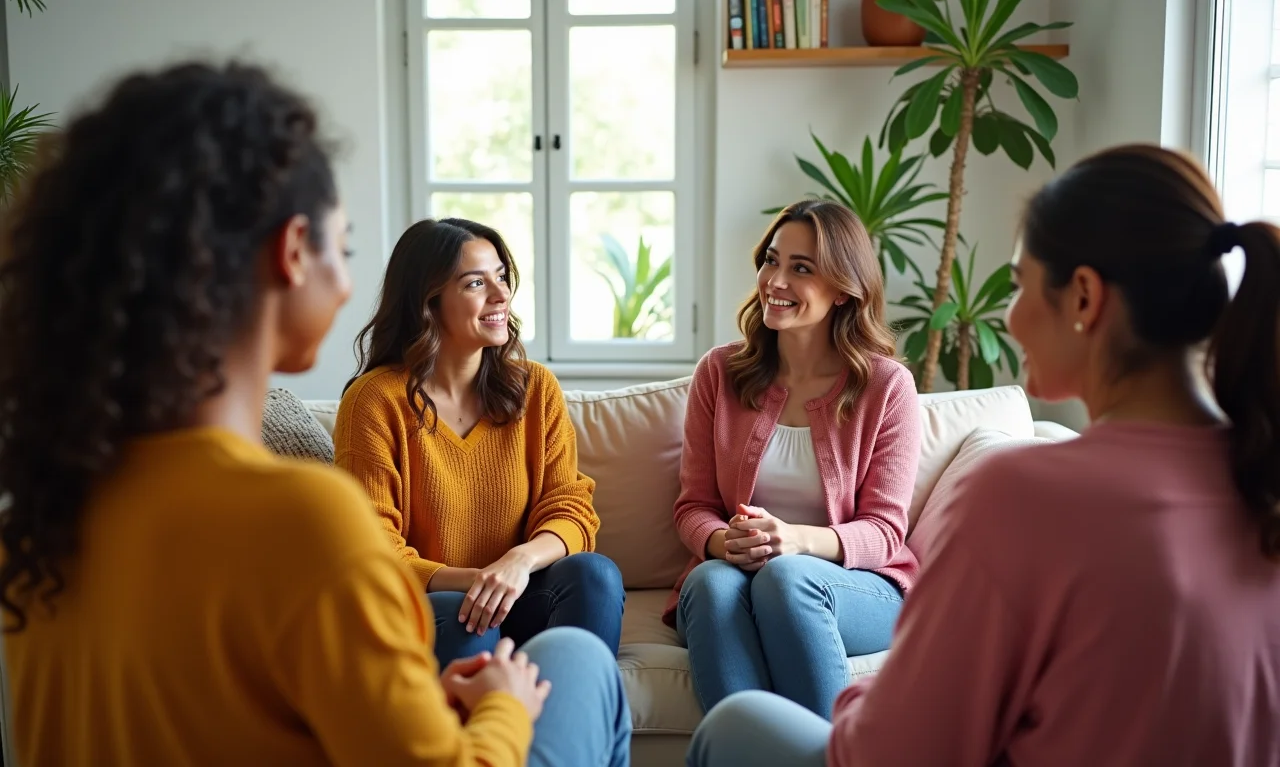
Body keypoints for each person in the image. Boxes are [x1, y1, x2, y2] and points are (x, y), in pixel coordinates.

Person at [0, 61, 630, 767]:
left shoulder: (40, 520)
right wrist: (504, 710)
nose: (349, 277)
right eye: (344, 244)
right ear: (293, 252)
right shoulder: (303, 516)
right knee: (578, 662)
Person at [687, 144, 1280, 767]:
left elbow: (900, 744)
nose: (1011, 318)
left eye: (1020, 284)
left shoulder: (1019, 492)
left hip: (859, 661)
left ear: (1083, 297)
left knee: (733, 726)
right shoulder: (1259, 482)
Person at [666, 199, 921, 719]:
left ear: (845, 289)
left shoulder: (886, 386)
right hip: (737, 574)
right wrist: (722, 541)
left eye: (800, 269)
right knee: (710, 584)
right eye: (771, 260)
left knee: (788, 577)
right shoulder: (720, 372)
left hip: (857, 589)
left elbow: (886, 531)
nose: (775, 281)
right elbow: (693, 506)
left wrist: (797, 542)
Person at [334, 217, 625, 668]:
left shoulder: (535, 388)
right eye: (475, 283)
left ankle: (577, 723)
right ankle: (483, 735)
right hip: (434, 610)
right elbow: (371, 547)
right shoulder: (374, 402)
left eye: (502, 277)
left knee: (595, 575)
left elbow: (570, 508)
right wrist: (473, 581)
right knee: (464, 613)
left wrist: (517, 563)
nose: (501, 294)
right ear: (429, 302)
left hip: (521, 594)